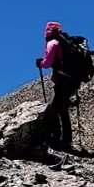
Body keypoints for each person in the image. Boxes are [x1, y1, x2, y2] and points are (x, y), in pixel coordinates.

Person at [36, 21, 78, 151]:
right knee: (63, 110)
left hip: (62, 80)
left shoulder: (52, 43)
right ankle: (66, 142)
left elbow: (48, 63)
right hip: (71, 80)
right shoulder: (65, 43)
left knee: (54, 110)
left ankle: (56, 140)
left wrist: (40, 63)